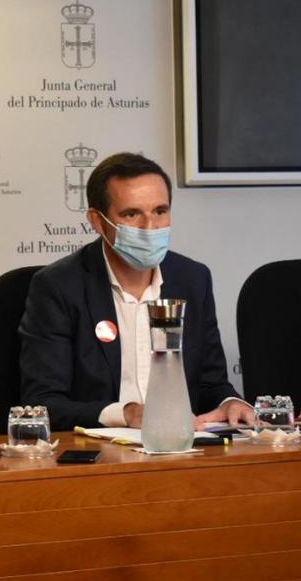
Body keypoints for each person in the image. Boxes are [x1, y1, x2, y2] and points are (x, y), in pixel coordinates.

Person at [19, 152, 251, 432]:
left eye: (160, 211)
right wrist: (126, 414)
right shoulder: (58, 286)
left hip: (181, 449)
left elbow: (211, 382)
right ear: (97, 220)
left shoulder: (192, 279)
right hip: (101, 458)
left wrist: (229, 401)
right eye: (131, 214)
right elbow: (43, 403)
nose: (149, 227)